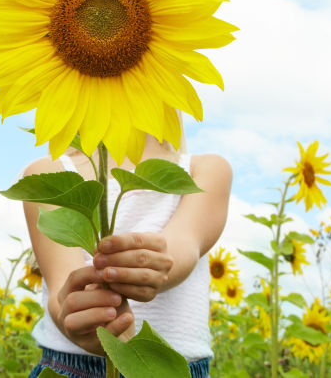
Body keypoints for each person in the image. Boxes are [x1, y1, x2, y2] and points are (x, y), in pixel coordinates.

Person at [23, 125, 232, 378]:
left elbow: (185, 243)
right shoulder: (48, 172)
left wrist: (153, 266)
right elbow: (62, 288)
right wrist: (80, 316)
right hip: (72, 365)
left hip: (171, 368)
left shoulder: (206, 170)